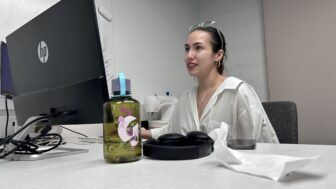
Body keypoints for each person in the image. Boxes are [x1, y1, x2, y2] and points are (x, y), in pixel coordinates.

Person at [141, 21, 279, 143]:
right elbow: (170, 131)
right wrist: (139, 132)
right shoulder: (185, 99)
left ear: (218, 55)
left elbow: (263, 144)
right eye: (187, 48)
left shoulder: (238, 92)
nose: (189, 55)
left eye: (198, 48)